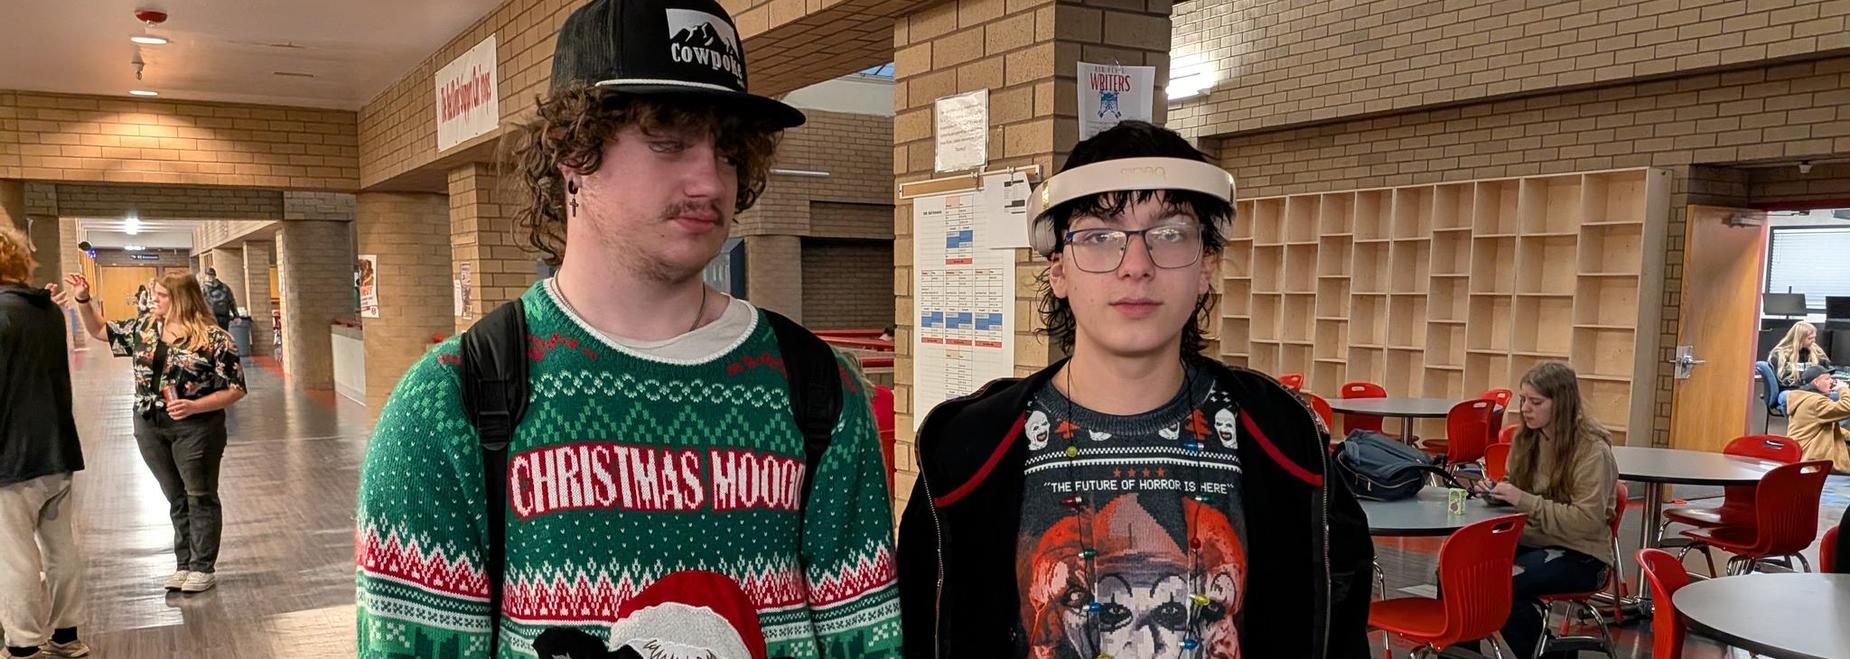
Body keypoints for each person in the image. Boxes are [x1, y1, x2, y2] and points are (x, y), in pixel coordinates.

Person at [353, 0, 900, 656]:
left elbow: (870, 643)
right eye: (669, 137)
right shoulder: (449, 405)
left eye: (728, 149)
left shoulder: (821, 389)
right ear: (571, 153)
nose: (709, 179)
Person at [897, 121, 1374, 658]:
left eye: (1169, 233)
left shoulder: (1286, 442)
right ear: (1058, 270)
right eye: (1100, 237)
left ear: (1206, 266)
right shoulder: (966, 452)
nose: (1137, 266)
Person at [63, 271, 246, 595]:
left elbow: (235, 388)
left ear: (181, 299)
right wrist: (83, 299)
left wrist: (195, 406)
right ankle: (184, 564)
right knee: (176, 496)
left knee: (199, 494)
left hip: (197, 427)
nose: (153, 301)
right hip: (149, 423)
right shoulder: (145, 329)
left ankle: (202, 567)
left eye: (161, 296)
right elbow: (99, 330)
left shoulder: (215, 339)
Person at [1468, 362, 1618, 659]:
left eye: (1536, 402)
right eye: (1523, 399)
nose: (1525, 408)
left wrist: (1521, 498)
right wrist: (1497, 493)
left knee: (1502, 586)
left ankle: (1550, 656)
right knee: (1457, 572)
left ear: (1561, 404)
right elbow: (1516, 488)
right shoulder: (1527, 439)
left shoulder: (1592, 451)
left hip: (1583, 555)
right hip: (1534, 540)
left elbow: (1586, 522)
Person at [0, 225, 89, 659]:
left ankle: (22, 644)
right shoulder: (50, 312)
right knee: (61, 548)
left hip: (11, 455)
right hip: (57, 447)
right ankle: (66, 636)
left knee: (14, 556)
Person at [1782, 365, 1850, 472]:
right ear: (1816, 382)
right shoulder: (1816, 402)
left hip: (1804, 457)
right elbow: (1847, 407)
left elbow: (1827, 427)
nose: (1832, 381)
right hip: (1813, 463)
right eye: (1827, 379)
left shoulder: (1805, 398)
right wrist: (1843, 389)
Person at [1769, 321, 1832, 389]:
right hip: (1790, 390)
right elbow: (1782, 381)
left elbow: (1827, 370)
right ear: (1799, 339)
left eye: (1814, 337)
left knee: (1836, 393)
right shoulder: (1780, 355)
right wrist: (1806, 387)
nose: (1814, 341)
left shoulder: (1816, 352)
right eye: (1810, 338)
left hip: (1814, 390)